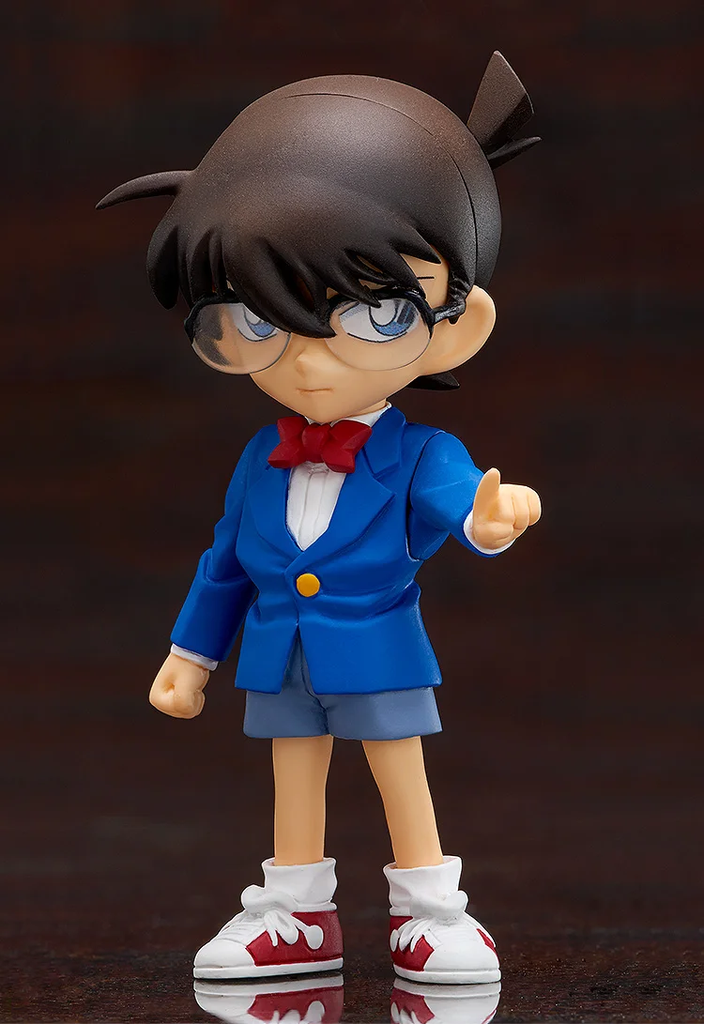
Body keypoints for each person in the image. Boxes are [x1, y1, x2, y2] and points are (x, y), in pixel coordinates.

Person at [97, 51, 542, 985]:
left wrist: (491, 517)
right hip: (279, 657)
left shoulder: (416, 452)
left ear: (455, 329)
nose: (306, 359)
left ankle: (433, 913)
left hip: (377, 652)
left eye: (374, 314)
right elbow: (226, 565)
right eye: (257, 320)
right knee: (292, 779)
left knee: (396, 773)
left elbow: (462, 498)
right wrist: (189, 657)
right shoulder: (259, 461)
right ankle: (296, 915)